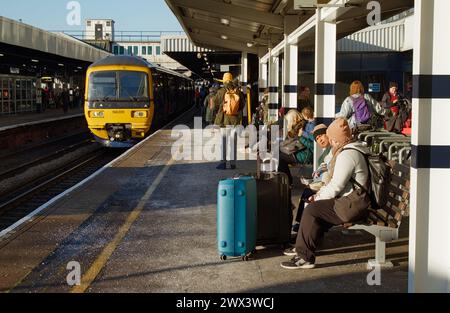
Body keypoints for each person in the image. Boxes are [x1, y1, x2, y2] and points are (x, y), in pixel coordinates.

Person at [281, 118, 371, 269]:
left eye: (332, 138)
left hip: (353, 205)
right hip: (353, 200)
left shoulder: (347, 155)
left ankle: (304, 257)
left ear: (337, 139)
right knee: (316, 208)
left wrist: (317, 198)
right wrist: (318, 196)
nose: (331, 142)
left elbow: (336, 186)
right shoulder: (352, 149)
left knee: (311, 209)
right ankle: (306, 247)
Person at [292, 124, 333, 234]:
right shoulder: (327, 150)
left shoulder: (332, 149)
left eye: (322, 136)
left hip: (328, 185)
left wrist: (319, 175)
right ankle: (301, 223)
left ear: (328, 134)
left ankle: (302, 223)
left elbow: (329, 168)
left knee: (308, 193)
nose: (320, 140)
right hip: (322, 182)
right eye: (317, 139)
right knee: (307, 192)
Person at [214, 73, 245, 170]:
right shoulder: (238, 91)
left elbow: (215, 104)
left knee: (224, 143)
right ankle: (233, 164)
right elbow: (242, 105)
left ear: (223, 81)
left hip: (224, 121)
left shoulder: (221, 91)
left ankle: (223, 163)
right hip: (235, 121)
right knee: (233, 143)